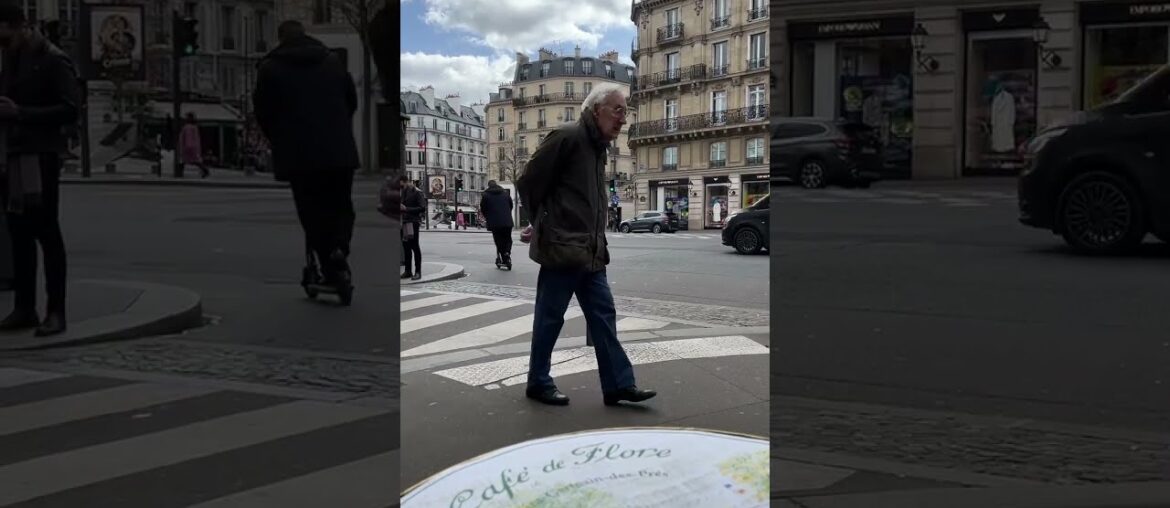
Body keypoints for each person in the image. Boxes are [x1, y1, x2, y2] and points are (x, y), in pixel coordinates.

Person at [515, 83, 656, 407]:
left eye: (625, 112)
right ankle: (538, 382)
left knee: (604, 318)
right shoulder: (568, 137)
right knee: (550, 319)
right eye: (618, 110)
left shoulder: (597, 148)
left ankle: (619, 385)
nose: (623, 119)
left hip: (591, 253)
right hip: (562, 249)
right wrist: (539, 225)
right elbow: (529, 182)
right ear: (597, 110)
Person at [254, 20, 360, 288]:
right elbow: (351, 100)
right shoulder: (333, 61)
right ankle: (340, 248)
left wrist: (277, 138)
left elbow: (263, 112)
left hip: (299, 153)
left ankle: (329, 264)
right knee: (341, 205)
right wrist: (338, 130)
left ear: (280, 38)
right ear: (306, 35)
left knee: (312, 212)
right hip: (338, 150)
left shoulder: (270, 68)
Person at [0, 3, 81, 337]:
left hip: (42, 154)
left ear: (22, 26)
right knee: (18, 231)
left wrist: (21, 113)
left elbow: (69, 109)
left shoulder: (53, 58)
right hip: (15, 153)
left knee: (47, 232)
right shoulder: (11, 57)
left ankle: (56, 310)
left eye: (5, 38)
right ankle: (24, 307)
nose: (2, 45)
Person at [479, 180, 514, 265]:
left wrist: (488, 216)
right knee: (508, 238)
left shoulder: (486, 195)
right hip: (507, 221)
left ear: (488, 186)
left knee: (498, 240)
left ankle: (503, 256)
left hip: (494, 222)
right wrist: (506, 214)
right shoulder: (505, 193)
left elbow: (483, 208)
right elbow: (511, 205)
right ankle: (507, 253)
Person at [398, 175, 424, 280]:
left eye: (401, 185)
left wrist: (406, 209)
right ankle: (408, 271)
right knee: (406, 247)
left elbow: (422, 208)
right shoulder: (402, 192)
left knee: (414, 247)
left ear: (405, 182)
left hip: (412, 222)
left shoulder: (416, 192)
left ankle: (418, 272)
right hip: (403, 222)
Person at [178, 113, 209, 178]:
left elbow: (186, 138)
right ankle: (205, 170)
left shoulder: (187, 127)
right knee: (194, 161)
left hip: (188, 147)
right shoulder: (194, 127)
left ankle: (179, 173)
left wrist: (185, 147)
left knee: (184, 161)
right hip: (193, 147)